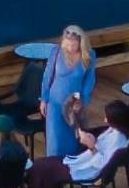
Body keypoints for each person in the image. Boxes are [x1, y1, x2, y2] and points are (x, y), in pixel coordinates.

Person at [40, 24, 99, 160]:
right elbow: (47, 75)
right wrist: (44, 99)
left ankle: (70, 167)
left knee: (73, 137)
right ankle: (54, 167)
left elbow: (89, 81)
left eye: (74, 45)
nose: (70, 48)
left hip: (73, 102)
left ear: (81, 43)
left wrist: (83, 100)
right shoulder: (55, 52)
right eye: (67, 44)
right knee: (55, 138)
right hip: (54, 102)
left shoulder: (90, 55)